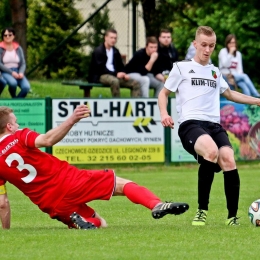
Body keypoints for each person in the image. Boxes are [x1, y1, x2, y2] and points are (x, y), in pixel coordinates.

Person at [0, 105, 189, 230]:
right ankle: (155, 204)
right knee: (122, 185)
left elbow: (3, 203)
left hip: (51, 204)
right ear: (9, 126)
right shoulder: (20, 136)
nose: (18, 124)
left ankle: (81, 221)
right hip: (69, 181)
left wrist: (7, 231)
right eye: (15, 122)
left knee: (102, 225)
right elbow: (48, 139)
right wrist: (71, 119)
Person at [158, 26, 260, 226]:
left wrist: (257, 100)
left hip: (214, 125)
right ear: (195, 44)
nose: (207, 49)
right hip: (190, 124)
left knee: (229, 159)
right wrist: (164, 113)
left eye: (211, 46)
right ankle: (201, 210)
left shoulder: (214, 71)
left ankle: (232, 217)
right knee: (212, 152)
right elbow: (163, 93)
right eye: (203, 45)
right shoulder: (181, 67)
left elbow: (230, 94)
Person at [88, 28, 143, 98]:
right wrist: (116, 74)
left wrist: (124, 74)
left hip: (114, 75)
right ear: (106, 38)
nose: (113, 40)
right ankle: (117, 103)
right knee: (115, 81)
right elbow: (100, 69)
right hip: (101, 75)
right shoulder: (99, 51)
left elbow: (121, 66)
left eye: (115, 38)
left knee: (135, 83)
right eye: (111, 38)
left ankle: (135, 104)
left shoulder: (115, 51)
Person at [0, 27, 30, 98]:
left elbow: (23, 63)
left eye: (10, 35)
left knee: (26, 87)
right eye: (5, 35)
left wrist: (21, 72)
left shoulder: (18, 48)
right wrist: (11, 73)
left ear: (13, 36)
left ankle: (16, 101)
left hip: (18, 71)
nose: (7, 37)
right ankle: (13, 97)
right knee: (13, 83)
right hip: (6, 71)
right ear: (3, 37)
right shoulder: (0, 48)